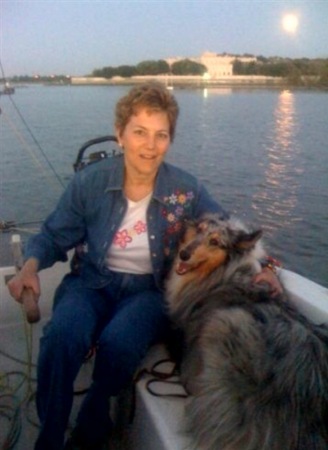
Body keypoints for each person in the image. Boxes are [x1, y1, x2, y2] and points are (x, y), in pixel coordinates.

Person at [8, 82, 281, 450]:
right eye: (139, 132)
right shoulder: (89, 183)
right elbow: (54, 235)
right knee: (62, 338)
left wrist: (267, 266)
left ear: (170, 139)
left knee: (118, 343)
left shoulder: (185, 189)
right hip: (89, 282)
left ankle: (93, 418)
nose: (150, 146)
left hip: (147, 291)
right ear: (120, 134)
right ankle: (50, 434)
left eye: (160, 135)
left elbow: (232, 231)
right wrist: (30, 266)